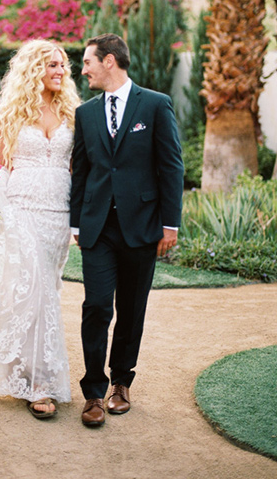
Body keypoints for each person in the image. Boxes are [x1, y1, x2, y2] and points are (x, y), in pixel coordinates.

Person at [0, 39, 81, 419]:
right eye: (52, 65)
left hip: (58, 213)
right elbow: (0, 169)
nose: (60, 71)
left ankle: (24, 368)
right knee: (34, 291)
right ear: (33, 69)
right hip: (21, 209)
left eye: (62, 65)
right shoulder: (10, 115)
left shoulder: (73, 112)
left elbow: (77, 168)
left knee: (43, 293)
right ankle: (42, 384)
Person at [70, 33, 184, 427]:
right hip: (97, 229)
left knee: (131, 309)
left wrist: (170, 223)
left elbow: (171, 166)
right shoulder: (85, 113)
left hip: (142, 227)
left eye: (88, 62)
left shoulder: (154, 105)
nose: (82, 70)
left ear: (110, 61)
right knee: (97, 306)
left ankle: (122, 383)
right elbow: (81, 171)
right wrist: (76, 222)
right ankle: (94, 393)